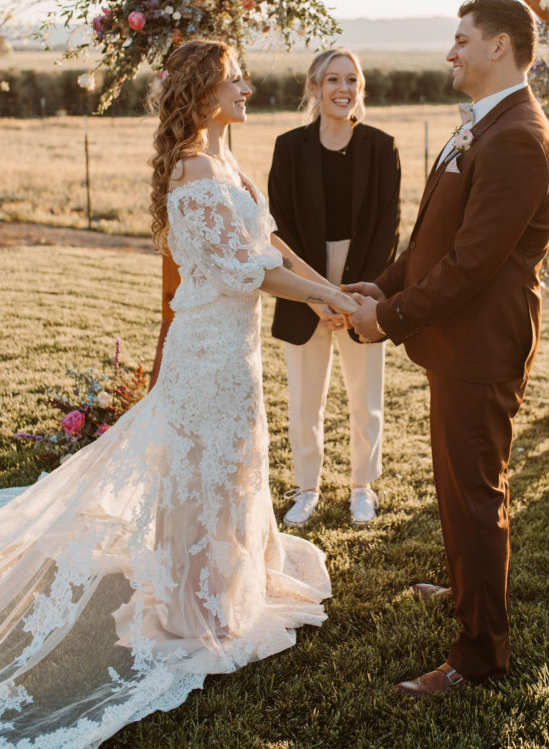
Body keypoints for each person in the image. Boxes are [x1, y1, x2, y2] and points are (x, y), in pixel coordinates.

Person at [0, 40, 358, 746]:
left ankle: (231, 579)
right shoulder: (194, 174)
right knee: (202, 471)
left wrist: (328, 291)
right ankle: (195, 611)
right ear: (204, 94)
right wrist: (323, 294)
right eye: (235, 81)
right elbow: (240, 272)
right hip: (207, 354)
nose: (248, 89)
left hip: (240, 350)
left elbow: (274, 247)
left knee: (234, 462)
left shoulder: (228, 164)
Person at [347, 0, 549, 697]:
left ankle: (478, 657)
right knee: (455, 484)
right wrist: (377, 287)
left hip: (482, 345)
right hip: (454, 340)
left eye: (461, 40)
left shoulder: (516, 138)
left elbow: (473, 261)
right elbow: (432, 238)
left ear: (499, 46)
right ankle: (468, 589)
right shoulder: (480, 125)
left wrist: (393, 316)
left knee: (473, 494)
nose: (450, 53)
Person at [267, 49, 401, 527]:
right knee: (305, 398)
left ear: (359, 89)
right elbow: (276, 228)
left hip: (362, 284)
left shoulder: (382, 147)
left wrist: (355, 299)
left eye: (351, 80)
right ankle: (307, 488)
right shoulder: (288, 147)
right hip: (301, 279)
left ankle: (362, 486)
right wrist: (314, 294)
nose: (343, 89)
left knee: (366, 395)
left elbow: (388, 228)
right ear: (315, 88)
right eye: (332, 80)